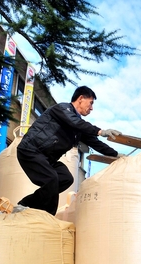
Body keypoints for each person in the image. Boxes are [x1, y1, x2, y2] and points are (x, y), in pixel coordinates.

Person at [16, 86, 121, 215]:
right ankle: (47, 216)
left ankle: (25, 204)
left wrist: (116, 155)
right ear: (81, 98)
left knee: (65, 178)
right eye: (91, 103)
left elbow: (95, 143)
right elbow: (74, 122)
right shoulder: (62, 109)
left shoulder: (78, 126)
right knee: (51, 179)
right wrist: (100, 131)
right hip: (31, 150)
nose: (92, 108)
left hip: (48, 159)